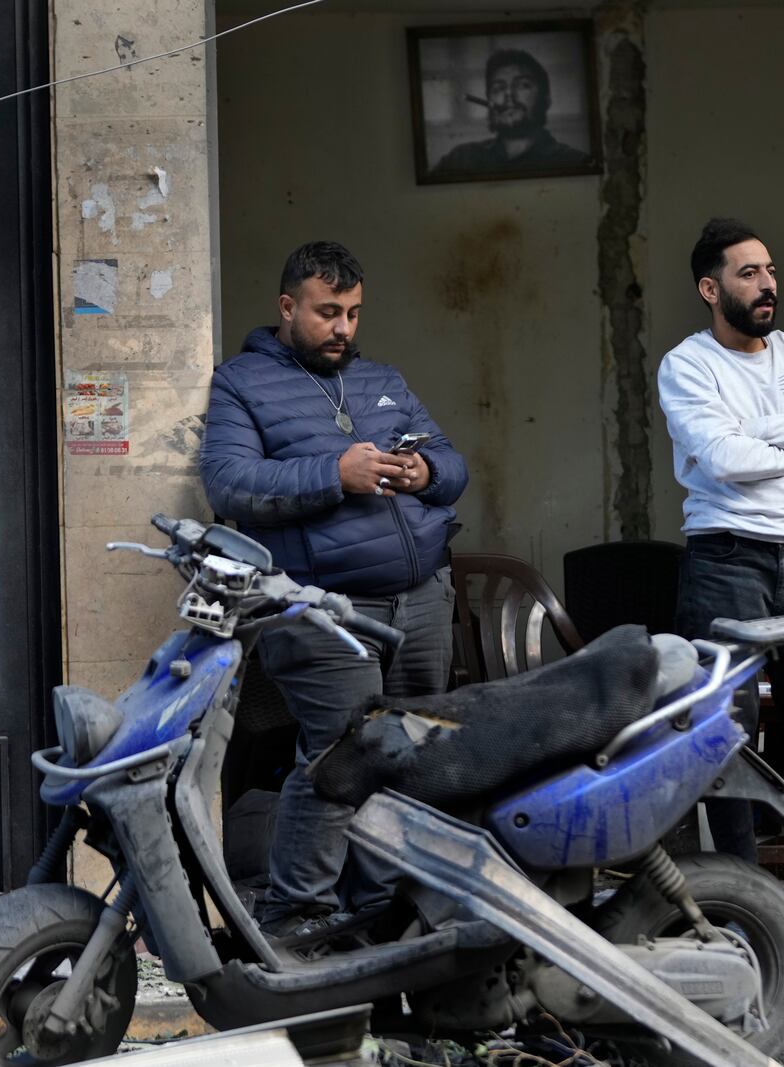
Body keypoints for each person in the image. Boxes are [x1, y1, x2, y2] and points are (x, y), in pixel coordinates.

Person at [199, 240, 467, 942]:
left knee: (407, 756)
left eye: (352, 313)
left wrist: (424, 473)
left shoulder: (381, 378)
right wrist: (333, 473)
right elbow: (229, 485)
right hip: (320, 605)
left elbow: (454, 463)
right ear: (287, 307)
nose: (343, 328)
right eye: (327, 313)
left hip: (421, 599)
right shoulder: (241, 383)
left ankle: (372, 917)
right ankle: (295, 917)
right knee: (340, 755)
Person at [656, 218, 784, 924]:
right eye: (748, 273)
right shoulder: (688, 366)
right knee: (725, 738)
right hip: (726, 562)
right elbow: (724, 460)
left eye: (769, 270)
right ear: (710, 289)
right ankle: (747, 908)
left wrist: (765, 430)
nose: (767, 283)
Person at [429, 48, 591, 177]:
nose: (508, 95)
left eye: (522, 85)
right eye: (498, 88)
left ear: (546, 100)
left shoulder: (575, 162)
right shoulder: (460, 159)